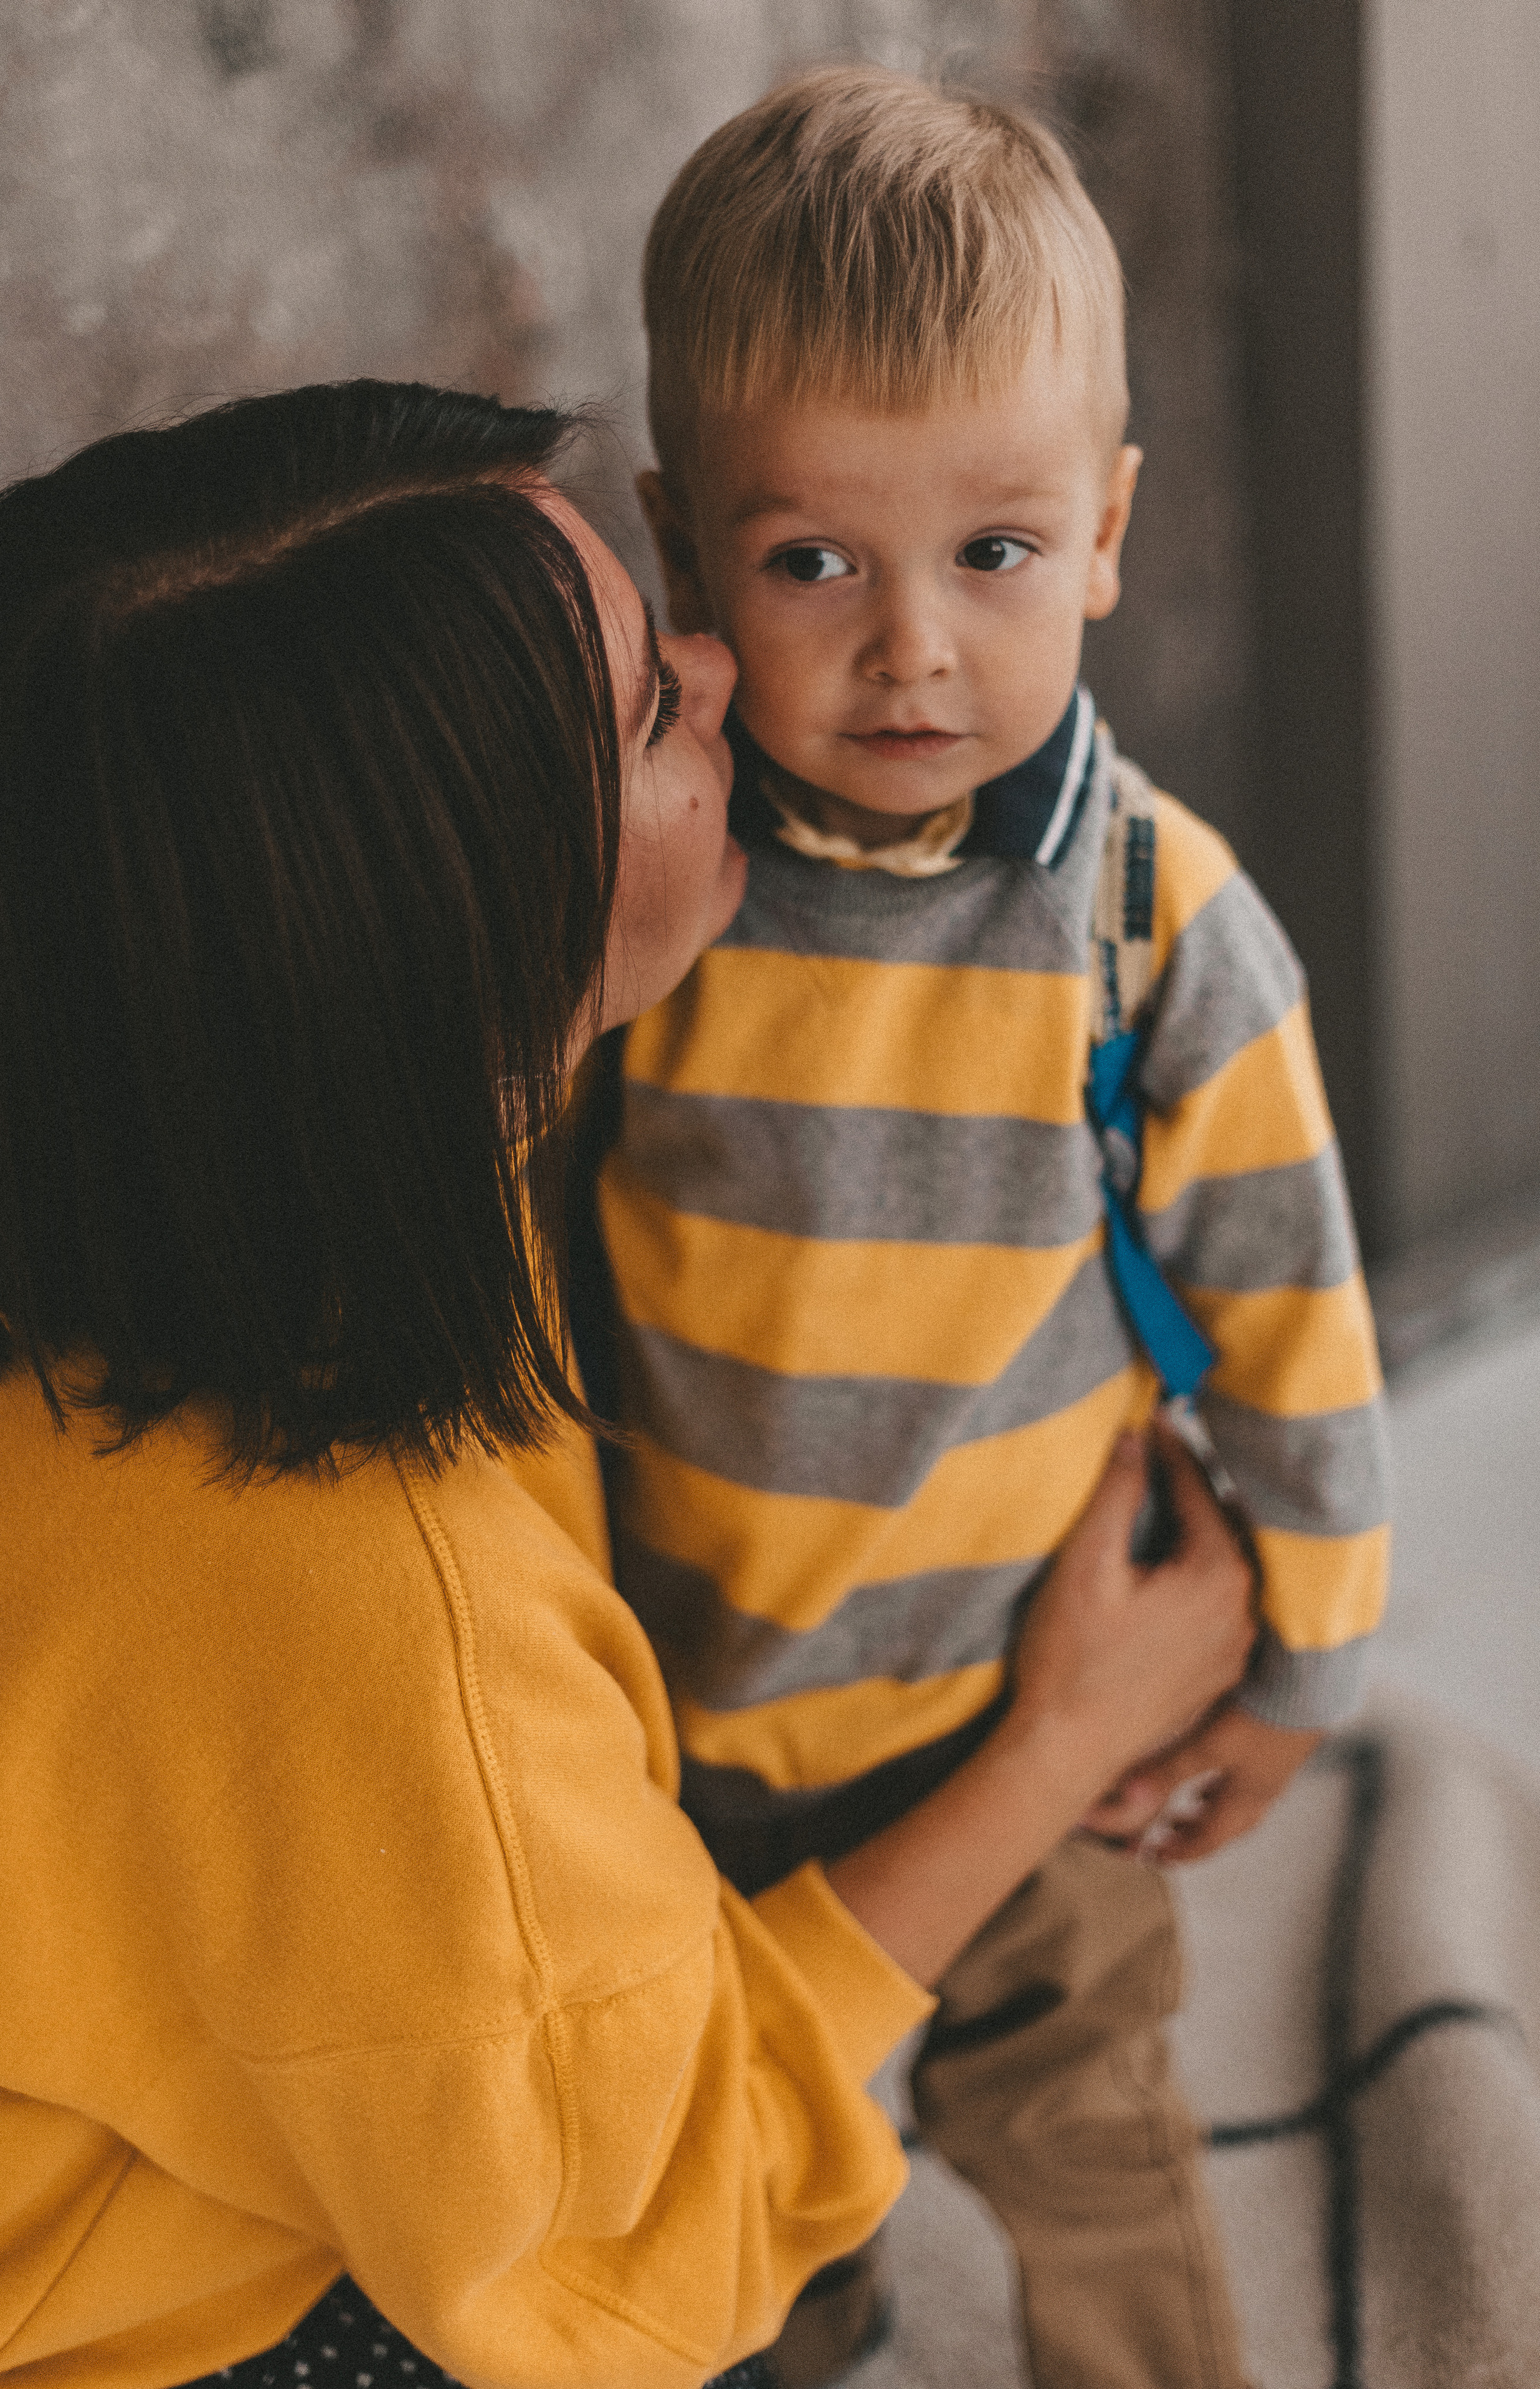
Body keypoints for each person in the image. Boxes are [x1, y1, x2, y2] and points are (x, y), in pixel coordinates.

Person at [0, 378, 1256, 2389]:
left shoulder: (120, 1114)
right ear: (459, 955)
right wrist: (1063, 1736)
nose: (733, 659)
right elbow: (666, 2236)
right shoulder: (397, 1629)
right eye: (655, 706)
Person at [579, 66, 1392, 2389]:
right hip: (702, 1735)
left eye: (996, 554)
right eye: (814, 558)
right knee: (756, 2207)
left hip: (1022, 1711)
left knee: (1099, 2158)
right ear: (683, 541)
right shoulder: (669, 891)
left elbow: (1292, 1313)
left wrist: (1302, 1663)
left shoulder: (1153, 916)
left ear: (1110, 525)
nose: (911, 647)